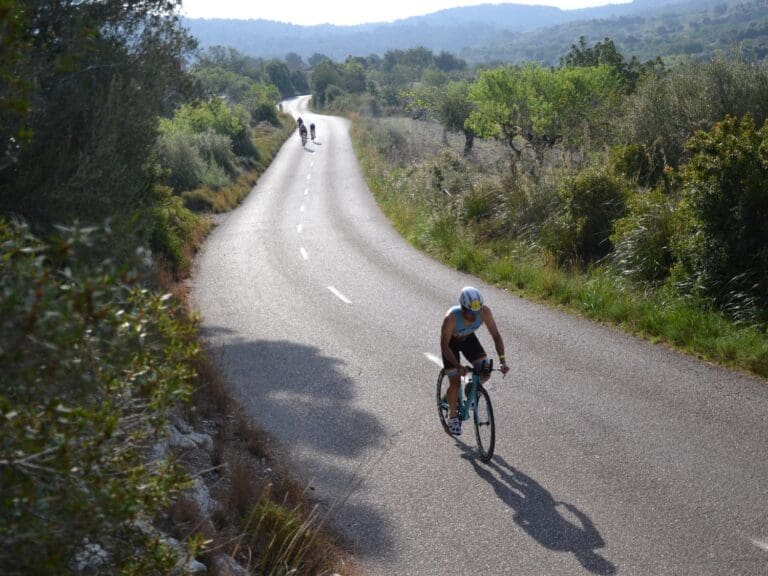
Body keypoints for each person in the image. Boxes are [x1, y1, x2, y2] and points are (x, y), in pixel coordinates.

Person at [440, 286, 509, 436]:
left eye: (475, 313)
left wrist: (502, 360)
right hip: (450, 345)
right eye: (469, 312)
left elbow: (496, 335)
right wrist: (458, 366)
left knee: (485, 370)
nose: (473, 316)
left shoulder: (484, 312)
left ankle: (471, 389)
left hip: (468, 339)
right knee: (455, 381)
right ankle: (452, 416)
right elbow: (444, 346)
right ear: (462, 307)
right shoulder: (451, 318)